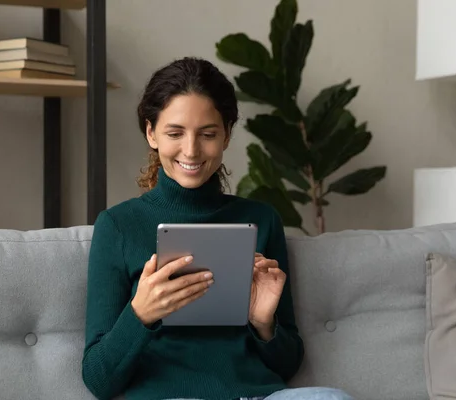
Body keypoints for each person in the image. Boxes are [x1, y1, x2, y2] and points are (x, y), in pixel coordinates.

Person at [81, 57, 354, 400]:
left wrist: (264, 323)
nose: (191, 151)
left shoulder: (262, 219)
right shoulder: (118, 226)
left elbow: (287, 364)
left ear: (226, 135)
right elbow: (97, 378)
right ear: (151, 133)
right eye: (174, 133)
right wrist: (141, 314)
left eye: (208, 134)